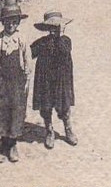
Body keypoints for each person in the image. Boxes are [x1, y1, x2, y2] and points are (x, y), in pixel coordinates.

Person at [0, 4, 31, 163]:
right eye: (7, 22)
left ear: (18, 22)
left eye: (14, 22)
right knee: (1, 112)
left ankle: (12, 145)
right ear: (3, 23)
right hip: (2, 83)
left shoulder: (22, 39)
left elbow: (27, 63)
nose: (11, 25)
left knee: (16, 112)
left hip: (18, 82)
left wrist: (27, 81)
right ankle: (3, 146)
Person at [30, 11, 77, 150]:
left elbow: (65, 51)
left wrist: (60, 36)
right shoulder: (42, 42)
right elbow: (29, 53)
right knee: (46, 105)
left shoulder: (65, 40)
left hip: (61, 79)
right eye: (52, 27)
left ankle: (68, 129)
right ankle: (49, 130)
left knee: (64, 105)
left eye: (58, 26)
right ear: (47, 28)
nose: (55, 29)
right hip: (45, 79)